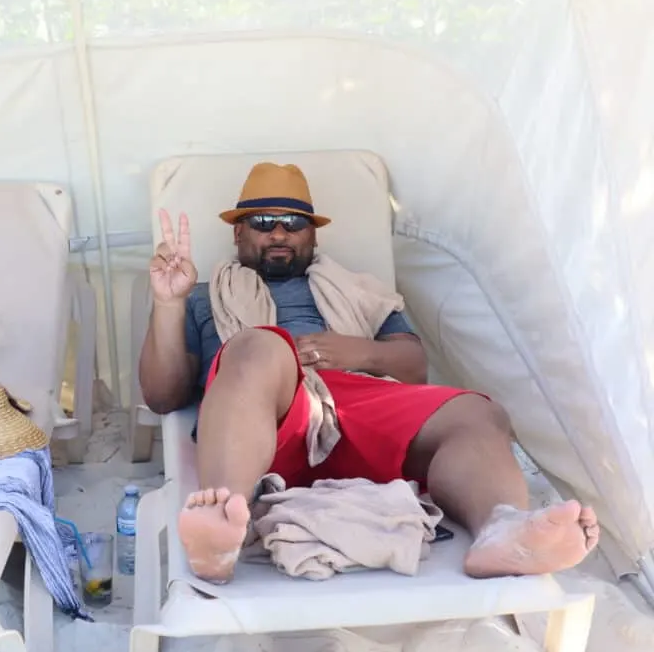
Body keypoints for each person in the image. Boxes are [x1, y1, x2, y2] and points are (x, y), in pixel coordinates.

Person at [138, 161, 599, 584]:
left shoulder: (357, 290)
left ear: (312, 237)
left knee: (476, 412)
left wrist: (358, 352)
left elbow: (413, 365)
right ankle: (224, 519)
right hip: (263, 415)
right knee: (258, 343)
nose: (278, 233)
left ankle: (500, 530)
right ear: (238, 234)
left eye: (294, 223)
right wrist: (168, 303)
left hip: (358, 403)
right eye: (262, 222)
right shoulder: (201, 296)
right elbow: (163, 395)